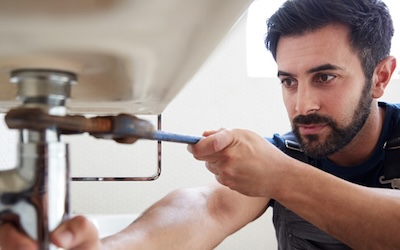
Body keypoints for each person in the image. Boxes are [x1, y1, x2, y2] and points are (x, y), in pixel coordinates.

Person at [1, 0, 399, 249]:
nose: (302, 104)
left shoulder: (282, 166)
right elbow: (207, 207)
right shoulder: (288, 151)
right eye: (288, 81)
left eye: (325, 77)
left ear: (380, 77)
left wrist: (281, 177)